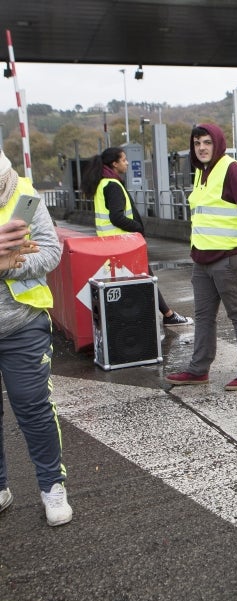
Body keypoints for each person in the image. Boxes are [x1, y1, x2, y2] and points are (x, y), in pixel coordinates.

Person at [0, 149, 72, 527]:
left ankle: (51, 485)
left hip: (22, 323)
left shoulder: (22, 192)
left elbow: (51, 249)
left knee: (33, 406)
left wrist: (11, 264)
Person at [165, 123, 237, 391]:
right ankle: (199, 370)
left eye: (207, 142)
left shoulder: (231, 170)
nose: (202, 148)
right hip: (202, 260)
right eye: (197, 143)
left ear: (218, 143)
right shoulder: (201, 173)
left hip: (230, 258)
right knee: (203, 316)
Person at [82, 147, 193, 326]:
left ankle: (161, 315)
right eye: (124, 160)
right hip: (123, 243)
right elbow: (116, 216)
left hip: (110, 243)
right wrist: (138, 229)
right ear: (114, 164)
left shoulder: (103, 183)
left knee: (138, 280)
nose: (127, 163)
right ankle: (167, 315)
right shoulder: (112, 185)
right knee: (147, 279)